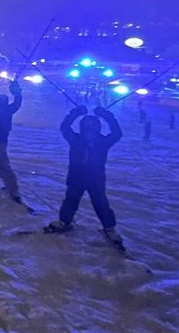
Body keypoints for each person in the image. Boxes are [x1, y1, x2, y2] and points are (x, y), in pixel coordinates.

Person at [45, 105, 123, 246]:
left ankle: (109, 228)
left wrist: (107, 115)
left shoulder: (103, 142)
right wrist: (75, 113)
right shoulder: (76, 139)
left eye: (93, 128)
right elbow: (65, 127)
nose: (90, 131)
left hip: (96, 178)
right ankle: (65, 221)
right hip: (76, 176)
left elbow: (117, 133)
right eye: (87, 128)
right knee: (70, 200)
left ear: (97, 128)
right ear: (82, 128)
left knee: (101, 203)